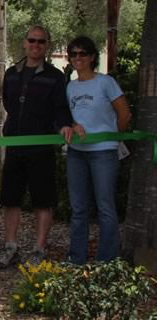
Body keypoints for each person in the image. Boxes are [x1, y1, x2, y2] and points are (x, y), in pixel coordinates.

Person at [0, 26, 73, 269]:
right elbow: (8, 102)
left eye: (41, 41)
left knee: (43, 199)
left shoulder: (55, 76)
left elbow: (60, 107)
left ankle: (39, 248)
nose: (36, 45)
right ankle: (10, 246)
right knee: (10, 198)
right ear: (24, 43)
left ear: (46, 45)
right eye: (32, 40)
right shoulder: (11, 73)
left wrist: (64, 126)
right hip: (15, 145)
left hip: (41, 146)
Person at [65, 35, 131, 264]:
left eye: (83, 53)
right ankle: (76, 258)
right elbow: (68, 118)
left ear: (92, 56)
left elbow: (124, 113)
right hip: (76, 152)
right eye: (73, 54)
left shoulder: (105, 82)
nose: (78, 58)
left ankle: (107, 259)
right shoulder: (70, 87)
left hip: (103, 151)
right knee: (78, 208)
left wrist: (113, 137)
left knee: (105, 206)